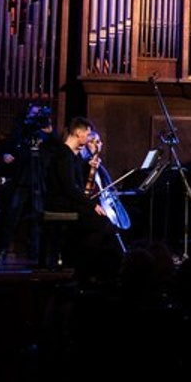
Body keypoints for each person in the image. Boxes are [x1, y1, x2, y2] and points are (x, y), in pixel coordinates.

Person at [42, 115, 116, 270]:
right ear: (78, 133)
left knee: (104, 222)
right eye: (88, 135)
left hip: (70, 202)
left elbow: (77, 184)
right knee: (101, 224)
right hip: (61, 204)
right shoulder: (63, 155)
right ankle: (83, 265)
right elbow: (69, 188)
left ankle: (90, 264)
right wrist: (90, 205)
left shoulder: (72, 156)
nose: (90, 138)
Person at [0, 102, 54, 258]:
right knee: (12, 214)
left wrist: (48, 132)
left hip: (39, 179)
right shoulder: (22, 131)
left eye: (38, 114)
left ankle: (36, 252)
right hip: (22, 178)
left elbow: (54, 149)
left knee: (38, 216)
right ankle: (1, 249)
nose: (35, 118)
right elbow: (6, 147)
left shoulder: (46, 133)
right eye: (33, 114)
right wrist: (5, 154)